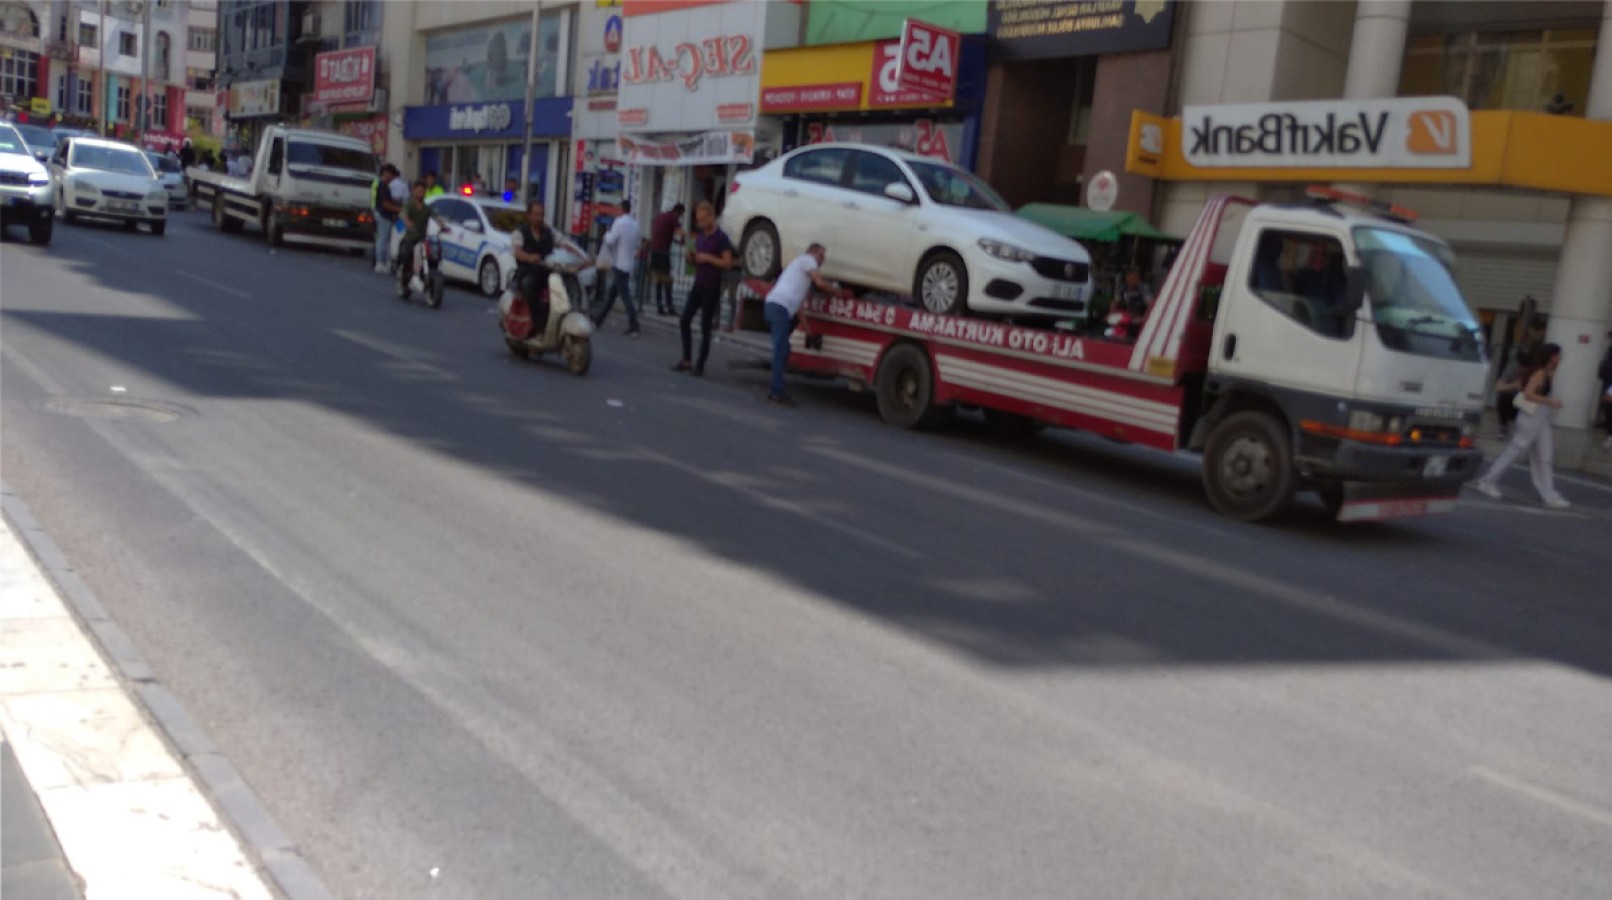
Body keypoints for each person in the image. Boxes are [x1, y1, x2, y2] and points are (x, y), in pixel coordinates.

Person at [1473, 343, 1570, 509]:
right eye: (1558, 355)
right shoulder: (1540, 373)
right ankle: (1488, 480)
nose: (1560, 358)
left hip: (1541, 418)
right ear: (1551, 356)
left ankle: (1548, 493)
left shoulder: (1547, 372)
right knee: (1516, 449)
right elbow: (1528, 393)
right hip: (1531, 417)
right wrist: (1550, 401)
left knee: (1545, 456)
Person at [763, 244, 836, 406]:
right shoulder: (807, 260)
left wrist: (809, 333)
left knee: (784, 349)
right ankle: (777, 391)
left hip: (776, 307)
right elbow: (820, 283)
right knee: (781, 349)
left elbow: (799, 309)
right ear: (814, 253)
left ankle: (777, 386)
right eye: (822, 256)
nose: (822, 261)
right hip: (779, 307)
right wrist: (838, 293)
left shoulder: (800, 276)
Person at [671, 202, 732, 377]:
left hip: (712, 286)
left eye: (704, 220)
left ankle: (700, 363)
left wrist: (708, 258)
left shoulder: (721, 238)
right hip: (698, 283)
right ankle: (686, 359)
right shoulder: (700, 237)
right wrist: (691, 258)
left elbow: (727, 263)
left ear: (711, 217)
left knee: (705, 326)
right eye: (699, 221)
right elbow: (695, 261)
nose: (702, 224)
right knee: (685, 320)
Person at [593, 199, 643, 336]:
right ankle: (599, 318)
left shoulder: (619, 223)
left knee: (625, 296)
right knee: (612, 293)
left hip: (619, 262)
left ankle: (634, 324)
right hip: (628, 262)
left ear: (621, 209)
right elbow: (638, 242)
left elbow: (611, 239)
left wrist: (605, 234)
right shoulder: (635, 224)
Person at [512, 199, 558, 321]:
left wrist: (581, 258)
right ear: (529, 215)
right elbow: (517, 251)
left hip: (547, 271)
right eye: (536, 215)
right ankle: (538, 322)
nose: (539, 218)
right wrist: (529, 257)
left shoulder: (548, 232)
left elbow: (563, 243)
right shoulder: (520, 232)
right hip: (528, 271)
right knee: (530, 285)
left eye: (541, 215)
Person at [648, 203, 685, 315]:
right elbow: (681, 232)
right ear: (679, 212)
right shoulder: (673, 218)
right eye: (681, 215)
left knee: (660, 279)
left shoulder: (662, 215)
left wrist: (674, 240)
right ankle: (669, 306)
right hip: (662, 252)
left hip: (654, 250)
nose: (681, 217)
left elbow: (661, 231)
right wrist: (684, 240)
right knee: (668, 280)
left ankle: (660, 306)